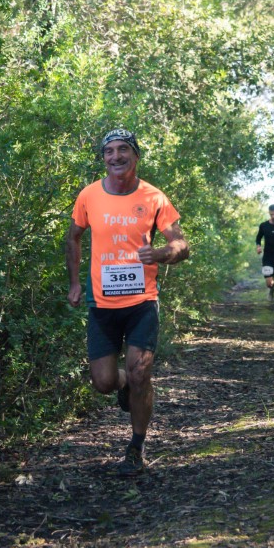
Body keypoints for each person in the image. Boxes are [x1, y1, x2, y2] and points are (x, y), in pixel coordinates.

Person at [65, 128, 189, 477]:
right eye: (109, 151)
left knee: (140, 372)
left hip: (141, 302)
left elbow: (182, 246)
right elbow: (73, 237)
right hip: (102, 304)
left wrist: (161, 253)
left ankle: (136, 446)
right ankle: (125, 386)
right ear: (103, 158)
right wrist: (75, 282)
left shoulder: (153, 197)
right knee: (103, 382)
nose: (116, 156)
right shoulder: (89, 195)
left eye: (123, 150)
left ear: (135, 156)